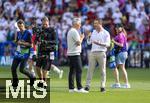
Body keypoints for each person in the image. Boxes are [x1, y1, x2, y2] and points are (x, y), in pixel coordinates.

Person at [84, 19, 110, 92]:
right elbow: (89, 43)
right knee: (90, 70)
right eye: (94, 23)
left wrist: (100, 44)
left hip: (101, 53)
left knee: (103, 71)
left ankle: (102, 86)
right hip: (93, 52)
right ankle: (87, 86)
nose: (94, 25)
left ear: (100, 24)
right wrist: (88, 37)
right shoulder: (93, 32)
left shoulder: (106, 33)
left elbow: (108, 44)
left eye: (96, 23)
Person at [11, 19, 35, 87]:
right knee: (13, 68)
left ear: (24, 25)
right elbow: (17, 41)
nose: (20, 28)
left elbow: (31, 45)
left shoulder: (28, 33)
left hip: (25, 53)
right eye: (19, 26)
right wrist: (16, 42)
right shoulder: (18, 33)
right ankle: (15, 83)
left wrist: (21, 43)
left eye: (21, 26)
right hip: (18, 52)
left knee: (22, 70)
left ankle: (32, 77)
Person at [67, 18, 88, 93]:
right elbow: (79, 43)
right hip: (75, 53)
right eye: (79, 24)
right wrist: (82, 37)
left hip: (71, 53)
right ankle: (80, 88)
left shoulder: (71, 31)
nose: (80, 25)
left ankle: (71, 88)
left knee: (72, 71)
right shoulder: (74, 31)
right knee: (79, 70)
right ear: (76, 24)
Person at [35, 16, 57, 88]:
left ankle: (44, 83)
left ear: (48, 22)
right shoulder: (40, 30)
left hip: (49, 51)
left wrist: (46, 42)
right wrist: (36, 35)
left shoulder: (52, 30)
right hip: (41, 51)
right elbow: (36, 41)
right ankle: (41, 80)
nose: (44, 25)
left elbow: (55, 42)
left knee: (45, 69)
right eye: (43, 24)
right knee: (37, 67)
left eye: (45, 23)